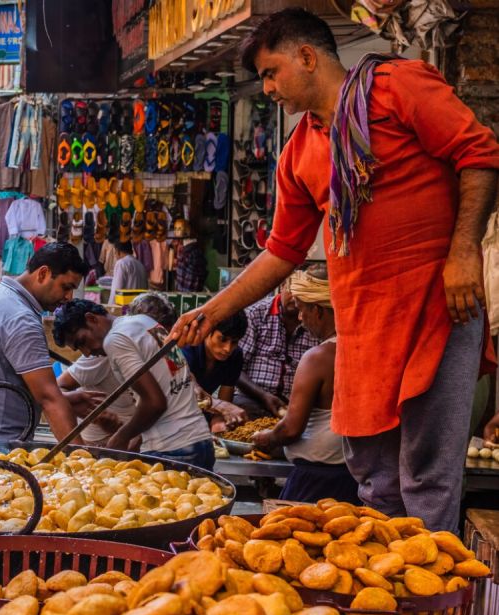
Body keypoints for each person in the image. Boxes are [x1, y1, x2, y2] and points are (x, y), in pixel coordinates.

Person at [173, 8, 499, 531]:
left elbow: (479, 154)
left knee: (428, 472)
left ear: (306, 57)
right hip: (366, 326)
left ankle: (432, 603)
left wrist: (464, 253)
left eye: (271, 72)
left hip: (439, 306)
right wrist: (211, 312)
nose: (270, 88)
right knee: (373, 471)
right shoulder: (297, 151)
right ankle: (391, 585)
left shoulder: (397, 87)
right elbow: (281, 252)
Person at [0, 243, 90, 441]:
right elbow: (49, 399)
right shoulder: (20, 318)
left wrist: (67, 400)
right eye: (66, 287)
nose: (68, 297)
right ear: (43, 274)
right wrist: (81, 461)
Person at [53, 299, 214, 469]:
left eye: (83, 341)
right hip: (200, 441)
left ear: (92, 319)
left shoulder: (114, 340)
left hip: (172, 449)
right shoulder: (145, 322)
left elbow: (155, 403)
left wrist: (121, 437)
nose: (86, 353)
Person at [253, 267, 359, 504]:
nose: (300, 318)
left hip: (316, 479)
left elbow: (291, 429)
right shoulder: (360, 348)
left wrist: (267, 438)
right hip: (352, 475)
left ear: (318, 311)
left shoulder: (317, 358)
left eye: (302, 310)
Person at [235, 280, 319, 419]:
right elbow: (235, 370)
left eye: (300, 292)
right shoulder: (256, 313)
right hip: (251, 398)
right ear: (282, 286)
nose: (294, 296)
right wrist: (263, 396)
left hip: (294, 405)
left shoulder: (314, 320)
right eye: (291, 289)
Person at [182, 311, 249, 431]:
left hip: (202, 411)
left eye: (234, 342)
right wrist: (220, 407)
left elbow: (225, 400)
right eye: (222, 339)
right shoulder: (187, 349)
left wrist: (219, 421)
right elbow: (188, 390)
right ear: (207, 332)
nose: (228, 348)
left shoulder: (235, 356)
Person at [109, 241, 148, 306]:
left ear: (117, 251)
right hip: (139, 309)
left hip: (126, 310)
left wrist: (110, 308)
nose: (115, 255)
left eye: (114, 252)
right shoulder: (140, 265)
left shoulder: (121, 263)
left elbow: (116, 291)